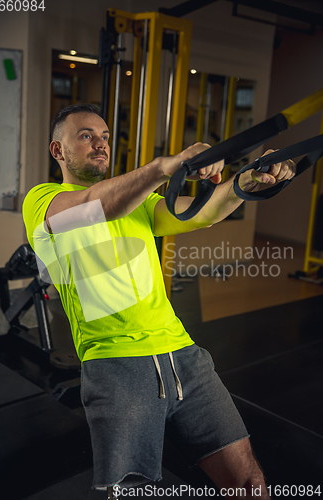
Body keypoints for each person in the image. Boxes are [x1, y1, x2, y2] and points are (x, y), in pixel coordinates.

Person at [23, 103, 295, 499]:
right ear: (57, 151)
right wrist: (162, 168)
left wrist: (246, 182)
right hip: (117, 366)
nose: (100, 145)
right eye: (85, 136)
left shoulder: (141, 205)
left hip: (185, 355)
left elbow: (202, 212)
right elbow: (95, 206)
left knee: (250, 485)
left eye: (104, 137)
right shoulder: (44, 201)